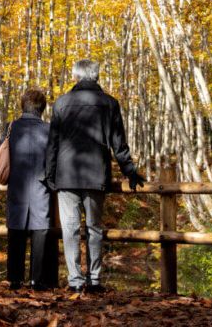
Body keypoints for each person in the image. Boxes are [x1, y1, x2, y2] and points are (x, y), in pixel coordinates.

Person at [45, 59, 145, 293]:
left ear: (76, 77)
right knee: (94, 228)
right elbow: (118, 144)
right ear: (96, 76)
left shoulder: (61, 102)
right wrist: (129, 170)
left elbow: (53, 145)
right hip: (96, 173)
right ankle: (95, 279)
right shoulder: (110, 103)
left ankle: (75, 280)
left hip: (66, 175)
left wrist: (49, 174)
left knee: (69, 228)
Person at [4, 88, 57, 291]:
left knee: (15, 229)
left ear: (22, 106)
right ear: (42, 108)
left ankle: (15, 279)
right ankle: (37, 280)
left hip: (16, 183)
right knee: (40, 230)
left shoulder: (10, 127)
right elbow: (53, 158)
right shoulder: (49, 129)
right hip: (41, 183)